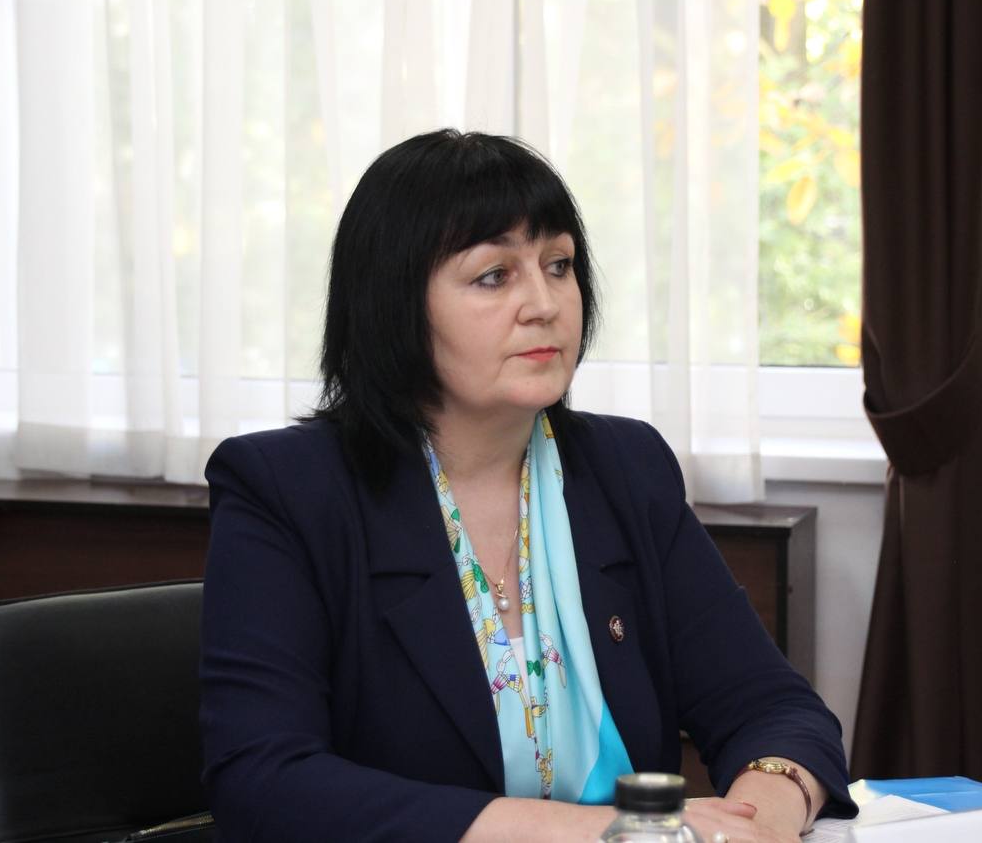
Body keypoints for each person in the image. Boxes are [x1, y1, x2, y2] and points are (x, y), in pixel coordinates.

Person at [199, 129, 857, 842]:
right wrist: (607, 832)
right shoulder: (288, 491)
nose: (544, 303)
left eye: (559, 265)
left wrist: (757, 821)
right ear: (394, 303)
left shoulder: (625, 468)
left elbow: (776, 709)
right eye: (494, 275)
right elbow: (264, 781)